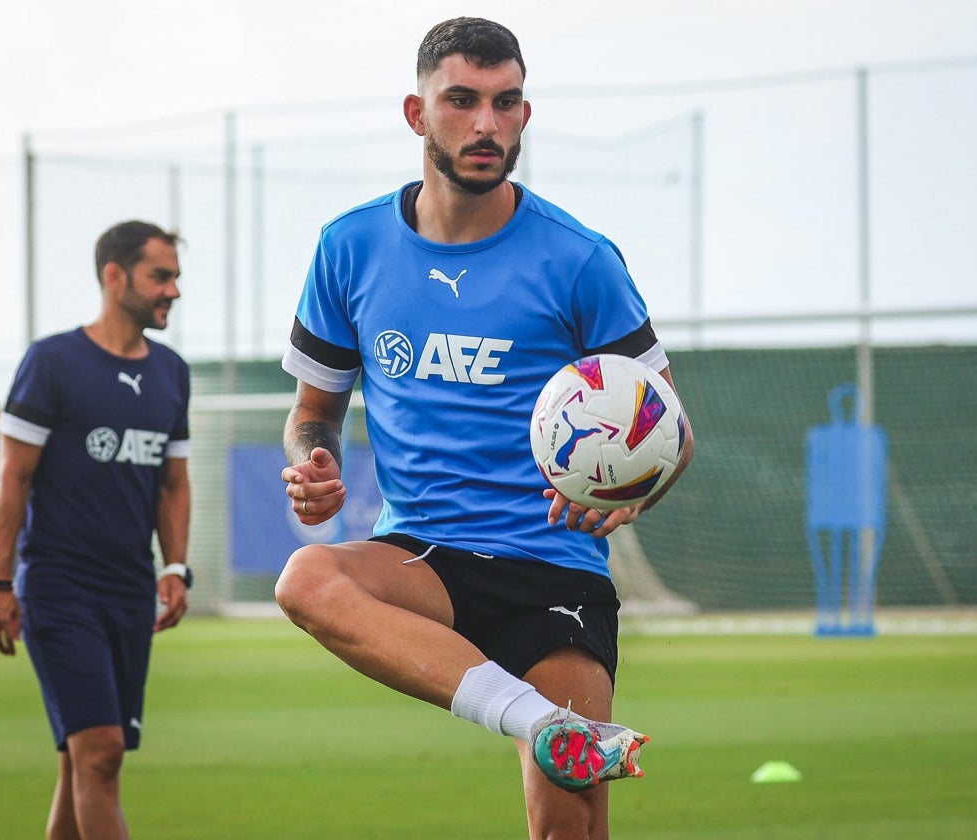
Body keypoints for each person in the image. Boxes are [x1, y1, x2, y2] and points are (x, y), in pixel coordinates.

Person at [275, 16, 696, 840]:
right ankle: (539, 723)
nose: (486, 124)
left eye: (506, 104)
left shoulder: (579, 259)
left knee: (566, 830)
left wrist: (631, 499)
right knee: (306, 579)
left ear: (525, 117)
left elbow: (670, 431)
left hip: (555, 566)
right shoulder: (350, 247)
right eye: (461, 101)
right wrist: (312, 462)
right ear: (415, 113)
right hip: (422, 557)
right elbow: (312, 415)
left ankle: (550, 730)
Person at [0, 220, 193, 840]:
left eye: (177, 277)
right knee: (99, 752)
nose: (173, 290)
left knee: (85, 761)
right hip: (58, 585)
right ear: (114, 276)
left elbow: (173, 484)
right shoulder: (52, 363)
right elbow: (12, 480)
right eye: (161, 276)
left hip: (129, 591)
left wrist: (174, 568)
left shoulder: (172, 372)